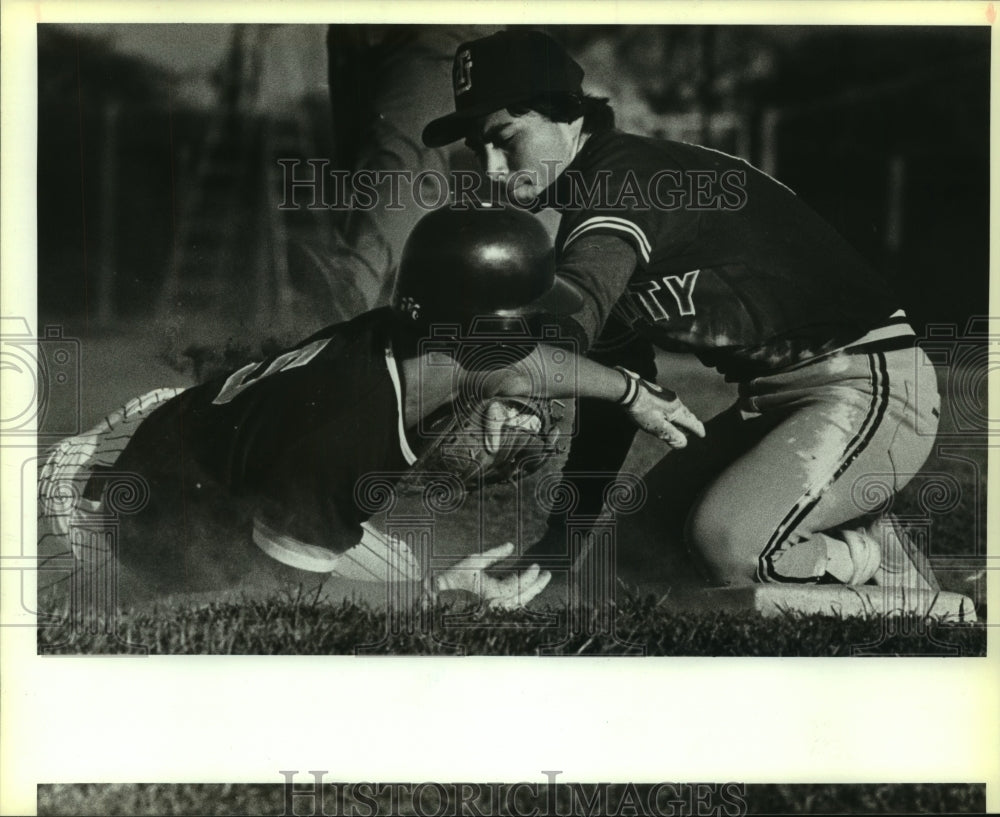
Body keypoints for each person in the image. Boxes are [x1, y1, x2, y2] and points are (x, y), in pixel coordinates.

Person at [421, 29, 941, 589]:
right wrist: (559, 545)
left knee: (728, 548)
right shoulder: (594, 205)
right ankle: (834, 533)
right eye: (480, 148)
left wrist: (488, 374)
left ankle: (869, 562)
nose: (493, 169)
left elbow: (566, 334)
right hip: (777, 405)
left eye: (506, 138)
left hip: (871, 387)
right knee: (623, 569)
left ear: (568, 115)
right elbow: (610, 395)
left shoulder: (621, 178)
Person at [38, 206, 703, 612]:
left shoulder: (417, 340)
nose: (531, 371)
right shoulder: (343, 438)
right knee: (96, 612)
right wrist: (431, 605)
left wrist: (633, 392)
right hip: (90, 512)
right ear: (480, 348)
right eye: (521, 334)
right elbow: (270, 610)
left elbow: (525, 363)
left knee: (406, 575)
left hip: (187, 437)